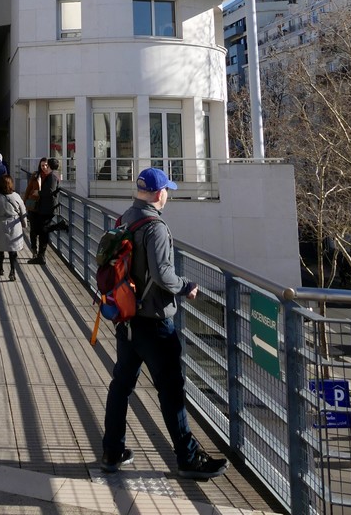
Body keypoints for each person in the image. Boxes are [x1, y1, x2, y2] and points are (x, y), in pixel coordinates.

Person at [100, 167, 228, 480]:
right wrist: (187, 286)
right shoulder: (155, 227)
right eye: (167, 189)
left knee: (122, 384)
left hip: (127, 318)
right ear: (160, 194)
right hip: (154, 322)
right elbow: (162, 275)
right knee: (171, 389)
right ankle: (187, 458)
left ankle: (112, 451)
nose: (168, 194)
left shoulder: (126, 218)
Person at [0, 173, 27, 280]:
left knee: (0, 248)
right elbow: (23, 212)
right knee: (12, 250)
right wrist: (24, 224)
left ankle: (0, 268)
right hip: (14, 224)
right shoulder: (16, 196)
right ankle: (12, 271)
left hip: (0, 225)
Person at [29, 157, 60, 266]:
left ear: (49, 166)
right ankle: (40, 255)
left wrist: (39, 193)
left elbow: (50, 191)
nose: (45, 167)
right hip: (44, 208)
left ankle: (41, 256)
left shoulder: (52, 176)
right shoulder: (52, 176)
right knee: (42, 231)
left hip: (47, 208)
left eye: (47, 165)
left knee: (43, 231)